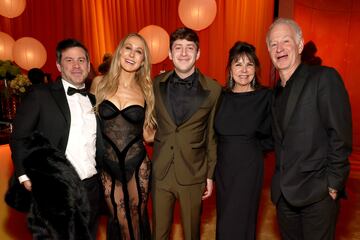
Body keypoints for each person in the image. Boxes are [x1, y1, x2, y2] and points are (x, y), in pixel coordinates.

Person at [266, 18, 352, 239]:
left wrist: (333, 185)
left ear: (300, 45)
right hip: (285, 197)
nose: (280, 49)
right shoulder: (275, 93)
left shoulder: (323, 78)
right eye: (274, 44)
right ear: (268, 50)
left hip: (318, 195)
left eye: (286, 41)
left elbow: (340, 136)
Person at [10, 39, 104, 239]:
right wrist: (24, 176)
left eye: (81, 60)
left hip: (91, 189)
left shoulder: (94, 100)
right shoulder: (40, 95)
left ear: (88, 65)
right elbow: (19, 136)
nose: (76, 65)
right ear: (59, 65)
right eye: (69, 60)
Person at [152, 27, 221, 240]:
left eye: (189, 48)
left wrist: (210, 175)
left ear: (198, 53)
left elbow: (211, 134)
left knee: (192, 233)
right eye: (178, 48)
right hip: (161, 173)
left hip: (193, 173)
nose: (184, 53)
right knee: (159, 234)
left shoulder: (214, 89)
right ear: (170, 54)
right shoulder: (155, 84)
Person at [91, 33, 156, 240]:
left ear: (143, 60)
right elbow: (89, 125)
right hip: (107, 164)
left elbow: (148, 135)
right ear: (120, 52)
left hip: (137, 163)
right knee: (119, 219)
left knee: (136, 217)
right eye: (128, 48)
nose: (132, 55)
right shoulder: (98, 84)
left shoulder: (147, 90)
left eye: (139, 52)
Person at [214, 41, 272, 239]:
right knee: (224, 221)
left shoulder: (266, 97)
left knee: (243, 221)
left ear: (256, 68)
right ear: (230, 69)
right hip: (223, 169)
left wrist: (254, 148)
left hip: (249, 168)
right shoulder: (219, 96)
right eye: (238, 64)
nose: (244, 70)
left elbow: (276, 133)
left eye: (249, 64)